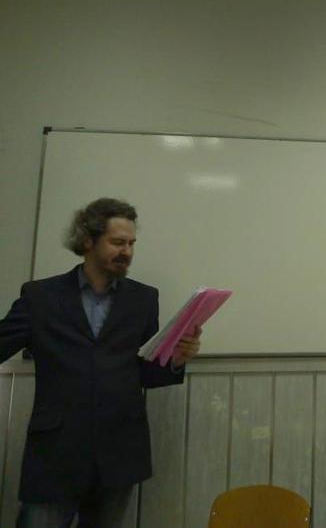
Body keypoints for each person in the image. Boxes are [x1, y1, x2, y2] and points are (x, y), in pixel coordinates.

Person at [0, 198, 201, 528]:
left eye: (132, 243)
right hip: (55, 453)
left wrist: (177, 358)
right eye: (118, 242)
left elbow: (145, 372)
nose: (127, 252)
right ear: (87, 241)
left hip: (120, 451)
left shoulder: (144, 298)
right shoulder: (40, 297)